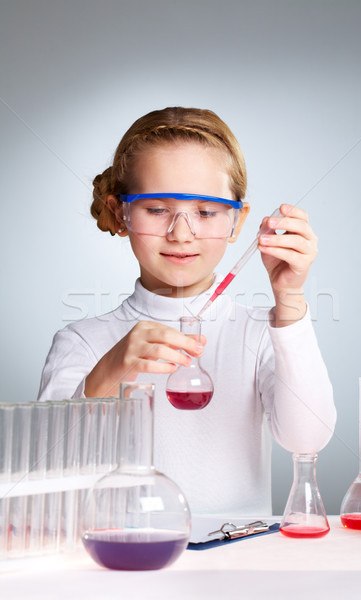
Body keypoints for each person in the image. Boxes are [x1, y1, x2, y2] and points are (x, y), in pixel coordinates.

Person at [38, 106, 336, 515]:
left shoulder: (258, 333)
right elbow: (47, 468)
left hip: (234, 566)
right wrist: (108, 373)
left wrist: (290, 301)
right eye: (157, 209)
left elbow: (308, 438)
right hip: (124, 564)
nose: (181, 233)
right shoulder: (83, 343)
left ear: (237, 221)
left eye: (206, 212)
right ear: (120, 212)